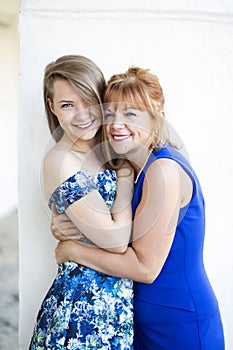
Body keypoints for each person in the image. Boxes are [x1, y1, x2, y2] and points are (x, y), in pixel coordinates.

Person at [53, 66, 225, 349]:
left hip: (177, 323)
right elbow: (113, 230)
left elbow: (145, 268)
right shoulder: (133, 168)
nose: (116, 125)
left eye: (130, 114)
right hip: (143, 321)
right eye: (110, 114)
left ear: (157, 120)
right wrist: (67, 226)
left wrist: (72, 250)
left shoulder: (164, 171)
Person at [29, 55, 135, 349]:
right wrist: (125, 174)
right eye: (67, 105)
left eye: (88, 100)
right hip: (82, 313)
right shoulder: (62, 160)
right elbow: (115, 241)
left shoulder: (109, 150)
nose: (82, 114)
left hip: (116, 309)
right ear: (52, 107)